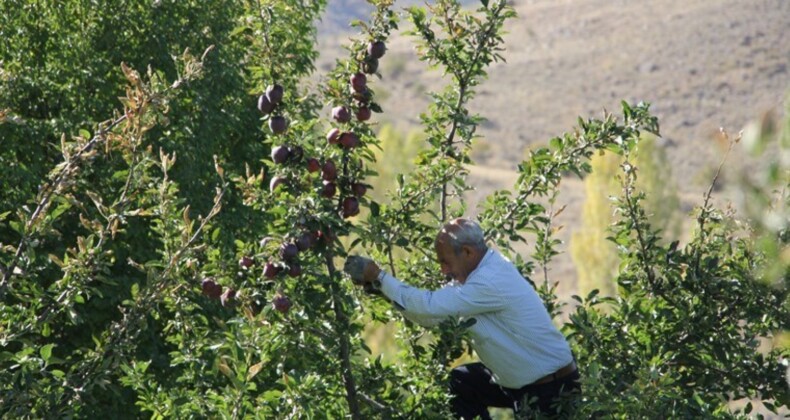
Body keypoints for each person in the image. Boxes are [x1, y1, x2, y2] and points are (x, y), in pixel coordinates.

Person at [343, 218, 580, 419]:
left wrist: (381, 276)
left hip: (551, 389)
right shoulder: (472, 279)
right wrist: (381, 289)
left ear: (467, 252)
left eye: (445, 261)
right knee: (462, 381)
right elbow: (432, 317)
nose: (443, 271)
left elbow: (429, 306)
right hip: (520, 384)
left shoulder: (488, 280)